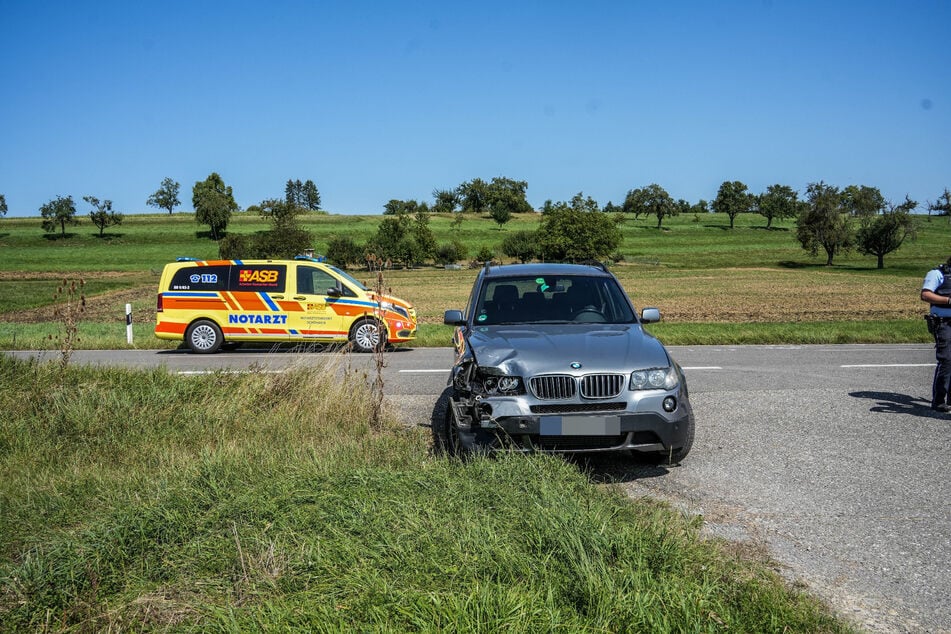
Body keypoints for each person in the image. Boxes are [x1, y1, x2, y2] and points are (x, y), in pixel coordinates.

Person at [921, 256, 951, 411]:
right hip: (944, 322)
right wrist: (948, 301)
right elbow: (925, 295)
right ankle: (939, 400)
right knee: (946, 360)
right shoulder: (938, 273)